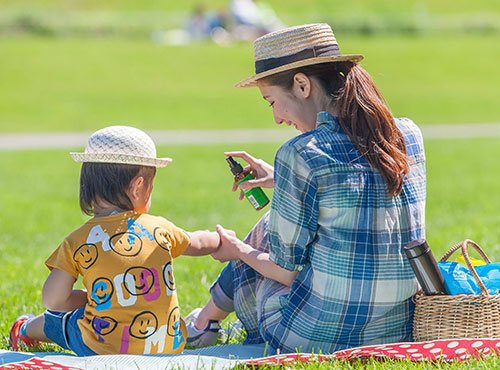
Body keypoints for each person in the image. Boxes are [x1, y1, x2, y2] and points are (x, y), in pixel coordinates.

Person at [185, 23, 426, 354]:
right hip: (396, 328)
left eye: (271, 101)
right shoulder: (406, 135)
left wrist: (237, 250)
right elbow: (360, 180)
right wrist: (281, 179)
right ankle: (205, 322)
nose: (277, 118)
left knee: (267, 230)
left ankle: (203, 324)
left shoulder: (301, 152)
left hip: (315, 335)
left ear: (301, 85)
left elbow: (287, 271)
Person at [9, 126, 221, 355]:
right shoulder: (159, 228)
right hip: (166, 345)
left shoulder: (79, 241)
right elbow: (198, 242)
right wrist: (220, 238)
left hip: (101, 349)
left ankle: (25, 329)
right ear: (138, 185)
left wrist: (91, 299)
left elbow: (54, 300)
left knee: (65, 320)